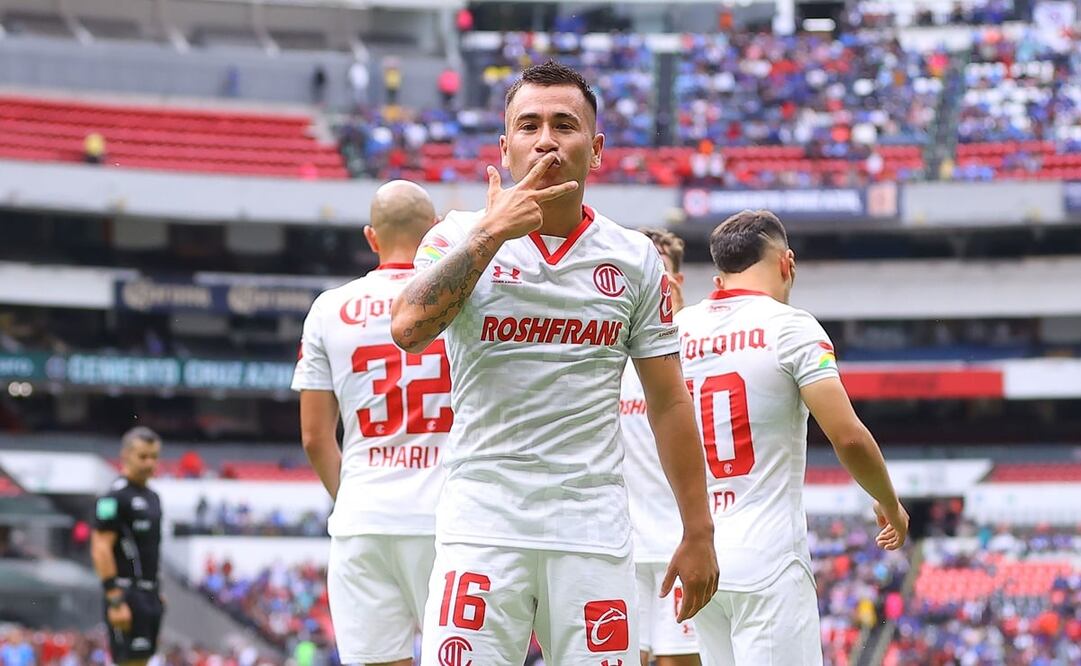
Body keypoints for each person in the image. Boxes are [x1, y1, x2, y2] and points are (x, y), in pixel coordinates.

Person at [391, 60, 718, 663]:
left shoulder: (634, 258)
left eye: (564, 125)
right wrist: (490, 235)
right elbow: (408, 328)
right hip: (482, 525)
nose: (546, 140)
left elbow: (669, 400)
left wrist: (698, 529)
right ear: (505, 146)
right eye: (529, 125)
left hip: (591, 528)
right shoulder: (455, 235)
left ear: (595, 150)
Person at [675, 209, 909, 666]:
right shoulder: (790, 326)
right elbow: (848, 437)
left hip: (700, 555)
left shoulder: (680, 328)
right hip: (768, 557)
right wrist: (890, 503)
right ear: (787, 263)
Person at [293, 180, 448, 666]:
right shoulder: (460, 299)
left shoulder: (327, 309)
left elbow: (315, 438)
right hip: (448, 518)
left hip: (363, 518)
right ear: (435, 230)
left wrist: (354, 496)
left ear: (371, 236)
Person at [620, 228, 701, 666]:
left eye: (660, 272)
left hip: (679, 539)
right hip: (622, 543)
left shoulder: (700, 347)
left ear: (677, 281)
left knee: (678, 662)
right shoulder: (610, 348)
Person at [90, 426, 165, 666]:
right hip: (126, 594)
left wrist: (156, 591)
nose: (149, 463)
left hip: (150, 594)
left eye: (154, 456)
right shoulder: (112, 498)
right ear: (125, 456)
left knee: (143, 660)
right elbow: (100, 548)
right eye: (143, 456)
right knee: (128, 662)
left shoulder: (153, 497)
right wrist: (115, 599)